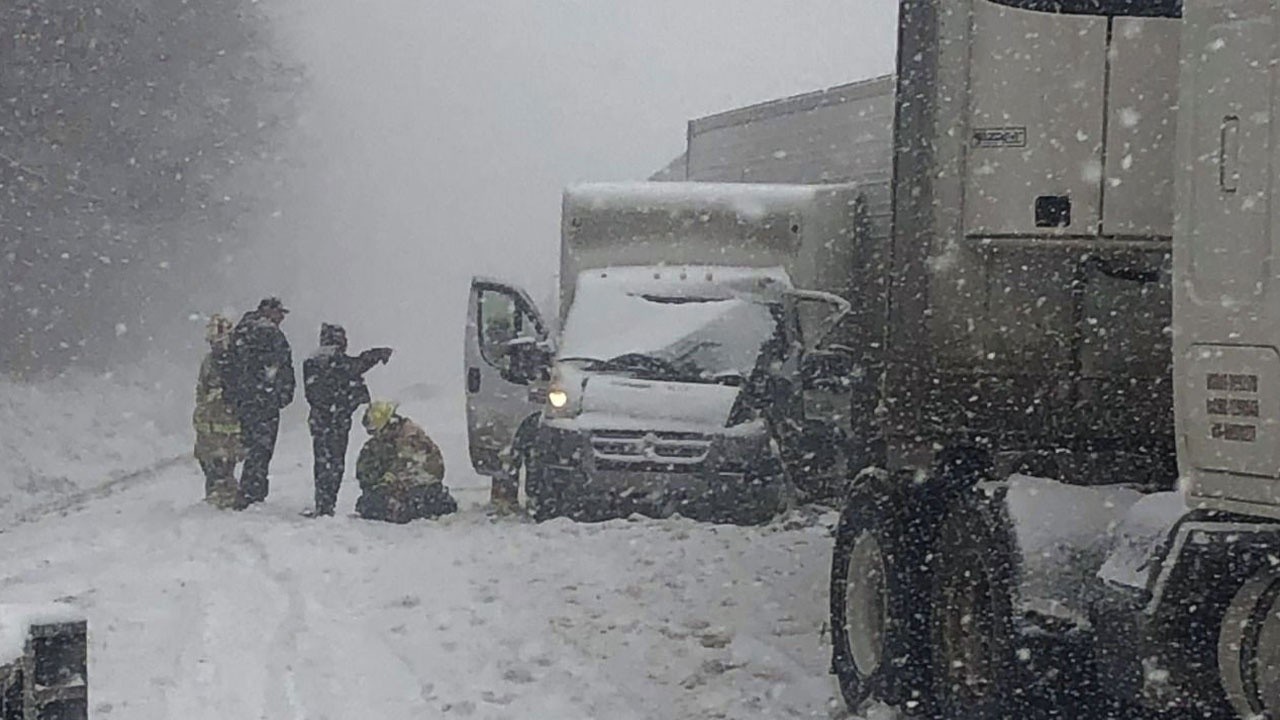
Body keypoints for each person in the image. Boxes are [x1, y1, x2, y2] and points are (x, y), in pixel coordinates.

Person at [303, 323, 393, 516]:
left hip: (320, 419)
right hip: (336, 420)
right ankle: (327, 505)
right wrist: (376, 355)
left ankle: (322, 503)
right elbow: (355, 366)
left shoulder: (312, 361)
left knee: (322, 461)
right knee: (334, 463)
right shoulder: (335, 360)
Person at [228, 296, 295, 508]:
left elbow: (231, 364)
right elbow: (281, 366)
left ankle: (228, 488)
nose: (282, 318)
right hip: (264, 401)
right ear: (270, 312)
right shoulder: (270, 333)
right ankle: (252, 492)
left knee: (245, 444)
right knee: (261, 448)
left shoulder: (241, 330)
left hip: (243, 400)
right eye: (280, 313)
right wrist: (281, 394)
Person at [355, 400, 457, 524]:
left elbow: (413, 469)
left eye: (375, 431)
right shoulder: (382, 442)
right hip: (408, 489)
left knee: (374, 505)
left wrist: (389, 483)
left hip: (420, 489)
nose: (374, 435)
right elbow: (365, 470)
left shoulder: (410, 438)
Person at [193, 314, 242, 508]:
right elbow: (201, 388)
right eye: (213, 342)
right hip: (208, 423)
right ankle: (215, 492)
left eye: (219, 341)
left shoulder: (236, 360)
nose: (216, 345)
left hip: (229, 422)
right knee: (208, 460)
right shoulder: (208, 361)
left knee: (227, 461)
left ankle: (226, 494)